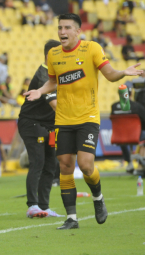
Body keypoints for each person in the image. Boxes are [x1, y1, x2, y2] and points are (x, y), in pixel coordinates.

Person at [25, 13, 144, 230]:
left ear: (78, 31)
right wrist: (39, 91)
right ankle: (71, 218)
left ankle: (98, 198)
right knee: (65, 166)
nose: (62, 32)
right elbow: (53, 81)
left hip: (87, 117)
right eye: (60, 27)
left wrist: (123, 73)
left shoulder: (92, 49)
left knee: (86, 165)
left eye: (67, 28)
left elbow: (109, 74)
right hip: (63, 119)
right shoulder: (53, 54)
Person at [18, 40, 63, 219]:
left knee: (51, 165)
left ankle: (44, 206)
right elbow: (54, 104)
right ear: (49, 55)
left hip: (49, 125)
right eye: (58, 53)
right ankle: (32, 206)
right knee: (38, 162)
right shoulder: (43, 74)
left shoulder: (59, 74)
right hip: (32, 123)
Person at [110, 87, 145, 175]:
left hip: (119, 136)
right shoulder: (137, 106)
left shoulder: (114, 107)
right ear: (131, 94)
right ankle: (141, 164)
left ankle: (129, 162)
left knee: (123, 137)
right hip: (136, 136)